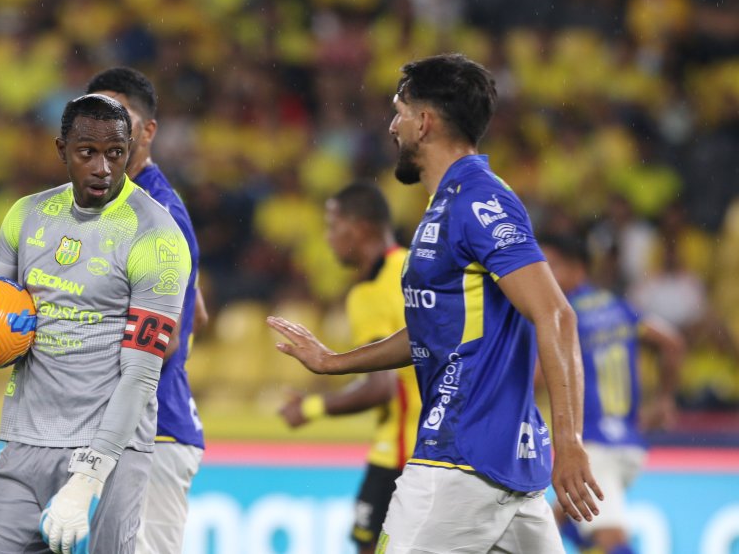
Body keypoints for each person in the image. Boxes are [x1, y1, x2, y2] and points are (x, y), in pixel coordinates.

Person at [268, 53, 602, 552]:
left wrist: (570, 441)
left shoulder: (478, 201)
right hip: (504, 471)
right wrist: (334, 362)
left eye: (399, 111)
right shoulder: (446, 205)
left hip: (457, 462)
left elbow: (556, 314)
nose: (391, 125)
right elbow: (435, 328)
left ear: (425, 123)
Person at [0, 94, 191, 554]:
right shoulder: (27, 214)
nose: (103, 167)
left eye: (115, 154)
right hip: (26, 445)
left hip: (109, 455)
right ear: (61, 150)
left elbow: (142, 375)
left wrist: (88, 477)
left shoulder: (156, 238)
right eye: (88, 153)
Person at [85, 66, 209, 554]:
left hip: (150, 434)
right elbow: (195, 310)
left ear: (149, 130)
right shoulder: (112, 207)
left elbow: (165, 336)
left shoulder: (155, 213)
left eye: (120, 117)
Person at [276, 181, 420, 554]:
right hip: (438, 442)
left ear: (359, 227)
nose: (328, 238)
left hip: (404, 449)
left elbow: (379, 387)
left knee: (369, 545)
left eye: (332, 225)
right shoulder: (414, 266)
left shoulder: (370, 292)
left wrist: (310, 408)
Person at [539, 232, 684, 554]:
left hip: (592, 449)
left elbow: (535, 377)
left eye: (551, 266)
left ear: (577, 268)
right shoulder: (619, 307)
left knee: (612, 542)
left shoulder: (564, 315)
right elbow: (671, 342)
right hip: (629, 443)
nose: (542, 275)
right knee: (552, 523)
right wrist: (664, 399)